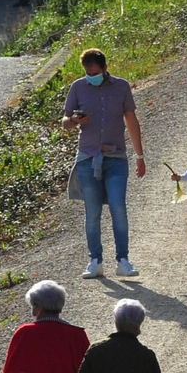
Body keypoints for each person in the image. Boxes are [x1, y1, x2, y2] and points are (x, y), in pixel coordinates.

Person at [61, 46, 145, 279]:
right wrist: (75, 121)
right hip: (88, 159)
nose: (91, 77)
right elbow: (65, 122)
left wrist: (139, 156)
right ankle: (95, 260)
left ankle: (123, 260)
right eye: (88, 73)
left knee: (118, 207)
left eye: (95, 72)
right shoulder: (77, 87)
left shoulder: (121, 87)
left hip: (116, 158)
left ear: (105, 68)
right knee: (92, 212)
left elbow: (131, 119)